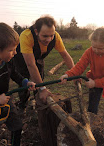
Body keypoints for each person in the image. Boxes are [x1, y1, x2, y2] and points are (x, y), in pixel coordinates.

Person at [59, 27, 104, 139]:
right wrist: (68, 75)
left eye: (101, 48)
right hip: (94, 82)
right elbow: (80, 66)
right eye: (94, 47)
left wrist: (95, 83)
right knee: (92, 108)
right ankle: (91, 129)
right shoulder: (89, 52)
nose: (96, 50)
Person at [14, 15, 74, 146]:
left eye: (51, 35)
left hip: (38, 58)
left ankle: (39, 104)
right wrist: (43, 88)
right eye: (45, 36)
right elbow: (30, 64)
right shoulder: (26, 36)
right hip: (22, 59)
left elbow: (65, 55)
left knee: (41, 81)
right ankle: (22, 105)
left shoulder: (55, 36)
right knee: (25, 83)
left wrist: (75, 74)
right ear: (36, 32)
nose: (49, 39)